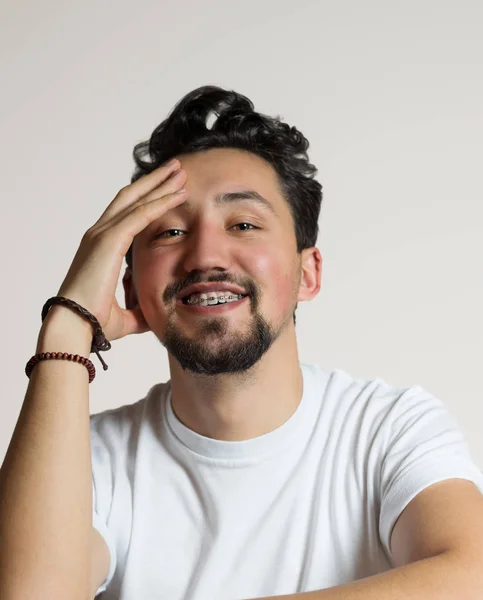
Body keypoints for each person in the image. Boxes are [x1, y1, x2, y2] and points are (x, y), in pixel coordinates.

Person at [1, 86, 483, 600]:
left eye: (244, 224)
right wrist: (68, 324)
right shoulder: (89, 459)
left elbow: (470, 576)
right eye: (169, 233)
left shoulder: (390, 428)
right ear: (127, 287)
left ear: (307, 274)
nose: (205, 253)